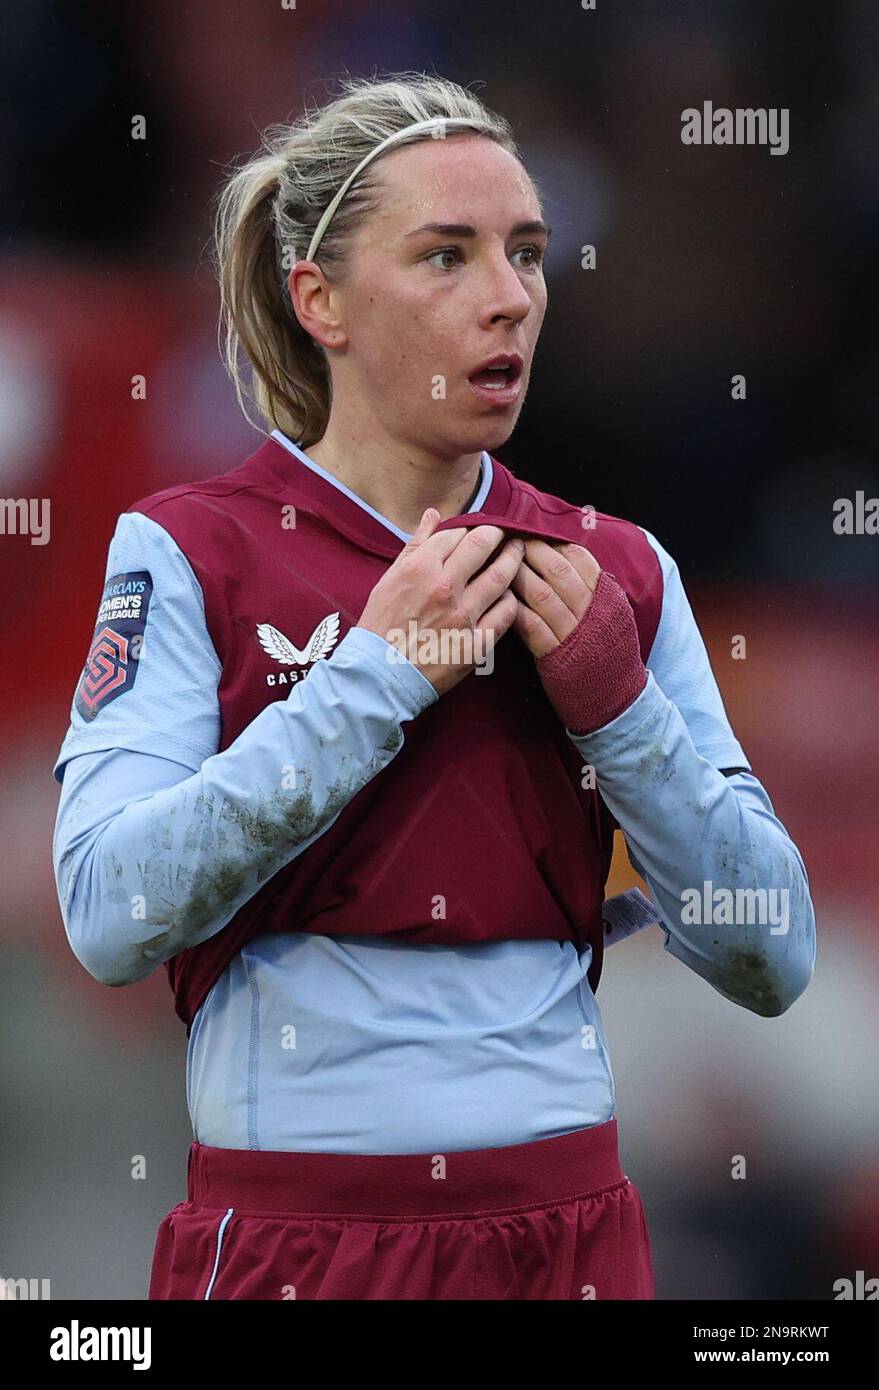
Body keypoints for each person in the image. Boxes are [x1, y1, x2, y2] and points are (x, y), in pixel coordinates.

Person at [51, 72, 816, 1301]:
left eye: (526, 252)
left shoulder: (615, 569)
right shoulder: (191, 549)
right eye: (446, 257)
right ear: (322, 301)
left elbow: (773, 959)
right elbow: (106, 916)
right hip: (305, 1243)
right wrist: (375, 674)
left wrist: (624, 716)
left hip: (568, 1240)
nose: (509, 298)